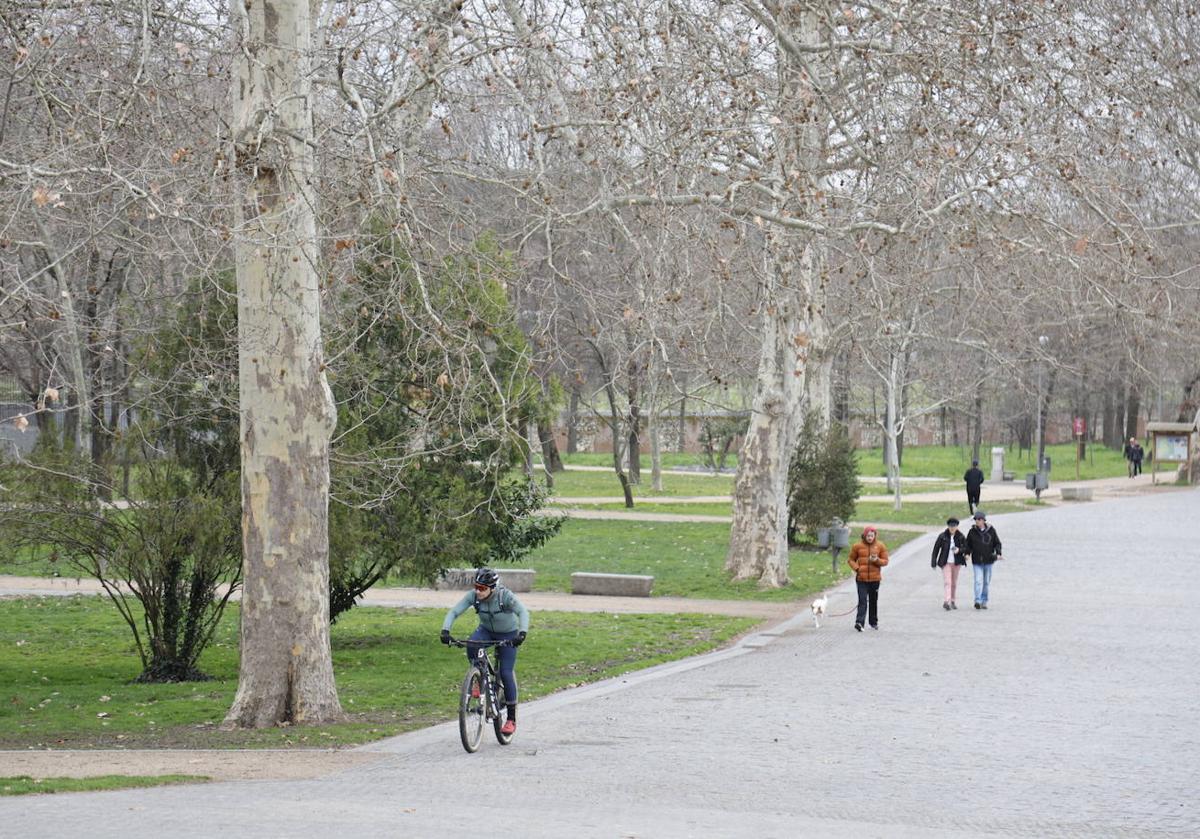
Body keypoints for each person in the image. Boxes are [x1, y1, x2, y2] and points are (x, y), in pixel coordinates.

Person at [440, 568, 529, 735]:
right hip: (486, 631)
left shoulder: (505, 597)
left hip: (508, 634)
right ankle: (478, 678)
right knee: (472, 644)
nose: (477, 591)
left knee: (505, 671)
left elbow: (523, 612)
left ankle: (511, 719)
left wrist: (522, 633)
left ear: (492, 588)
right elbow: (454, 611)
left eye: (482, 588)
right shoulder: (474, 597)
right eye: (476, 587)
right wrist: (445, 630)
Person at [848, 526, 889, 631]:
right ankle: (859, 623)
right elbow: (851, 560)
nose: (870, 538)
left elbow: (885, 561)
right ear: (864, 535)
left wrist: (876, 560)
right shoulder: (857, 546)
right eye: (868, 536)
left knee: (873, 601)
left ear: (875, 536)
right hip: (861, 579)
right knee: (862, 601)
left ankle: (873, 622)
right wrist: (857, 569)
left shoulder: (880, 546)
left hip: (875, 579)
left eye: (872, 535)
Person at [964, 511, 1003, 609]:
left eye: (979, 519)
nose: (977, 521)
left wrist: (998, 553)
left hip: (988, 560)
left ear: (983, 520)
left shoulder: (991, 530)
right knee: (978, 581)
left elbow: (997, 543)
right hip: (977, 561)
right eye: (975, 519)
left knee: (986, 582)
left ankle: (984, 600)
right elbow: (968, 544)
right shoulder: (972, 532)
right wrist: (967, 553)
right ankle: (977, 600)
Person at [931, 517, 967, 611]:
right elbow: (936, 549)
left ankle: (952, 601)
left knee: (954, 583)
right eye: (950, 526)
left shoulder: (961, 536)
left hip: (956, 562)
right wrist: (933, 562)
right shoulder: (942, 536)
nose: (952, 528)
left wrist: (959, 550)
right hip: (945, 562)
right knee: (948, 582)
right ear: (948, 526)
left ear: (957, 527)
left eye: (954, 526)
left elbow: (966, 549)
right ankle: (946, 601)